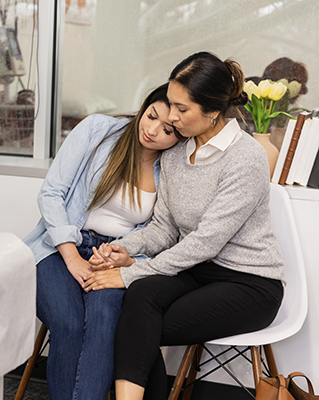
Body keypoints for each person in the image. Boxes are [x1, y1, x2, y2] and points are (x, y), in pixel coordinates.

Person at [86, 52, 285, 400]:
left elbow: (206, 242)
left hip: (250, 283)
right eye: (171, 105)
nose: (171, 117)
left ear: (211, 111)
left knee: (139, 320)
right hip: (197, 272)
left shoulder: (246, 157)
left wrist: (126, 274)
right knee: (142, 299)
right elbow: (164, 229)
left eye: (182, 109)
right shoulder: (176, 154)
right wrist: (125, 249)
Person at [23, 83, 182, 400]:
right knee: (68, 322)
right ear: (144, 107)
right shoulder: (99, 130)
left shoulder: (173, 167)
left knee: (104, 320)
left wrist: (126, 259)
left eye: (167, 130)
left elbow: (162, 234)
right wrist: (72, 257)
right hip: (59, 247)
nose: (152, 131)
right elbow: (51, 193)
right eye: (150, 116)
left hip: (114, 256)